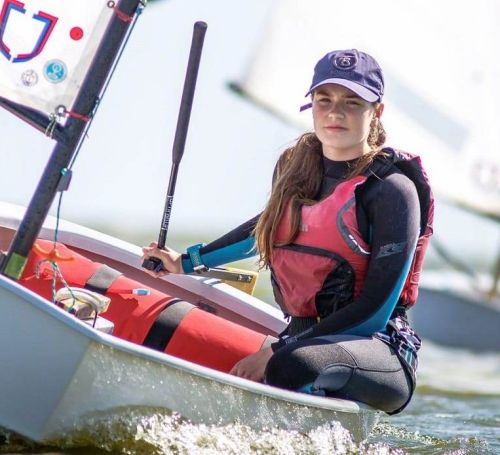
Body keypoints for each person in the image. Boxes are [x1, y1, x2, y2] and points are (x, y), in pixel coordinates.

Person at [142, 49, 434, 414]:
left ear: (377, 111)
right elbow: (265, 229)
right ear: (311, 105)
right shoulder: (296, 171)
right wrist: (184, 262)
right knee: (280, 359)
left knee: (293, 365)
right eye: (324, 100)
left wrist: (279, 350)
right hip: (302, 337)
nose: (335, 112)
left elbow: (374, 310)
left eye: (352, 102)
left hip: (377, 345)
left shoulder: (392, 191)